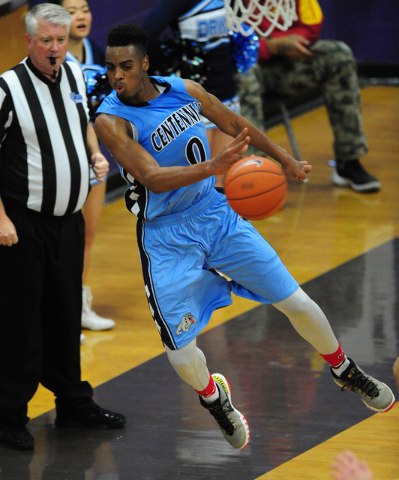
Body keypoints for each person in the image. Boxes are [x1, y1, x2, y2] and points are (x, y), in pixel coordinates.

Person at [94, 24, 395, 450]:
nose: (117, 75)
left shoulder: (185, 89)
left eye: (126, 66)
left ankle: (344, 369)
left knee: (296, 301)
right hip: (166, 237)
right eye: (110, 68)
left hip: (214, 214)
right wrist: (213, 166)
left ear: (144, 63)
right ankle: (214, 397)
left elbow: (236, 122)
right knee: (180, 354)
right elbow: (152, 177)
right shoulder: (111, 120)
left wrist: (285, 159)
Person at [0, 3, 125, 451]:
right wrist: (0, 218)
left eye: (61, 39)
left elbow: (82, 121)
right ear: (29, 40)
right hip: (23, 227)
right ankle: (9, 415)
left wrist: (94, 152)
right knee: (21, 324)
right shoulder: (7, 89)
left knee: (65, 314)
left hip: (67, 222)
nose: (56, 49)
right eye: (47, 41)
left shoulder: (73, 73)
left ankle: (73, 403)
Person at [237, 0, 381, 193]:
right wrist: (271, 46)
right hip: (245, 67)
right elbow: (228, 43)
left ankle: (348, 161)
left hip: (286, 63)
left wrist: (284, 44)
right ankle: (254, 172)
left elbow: (312, 26)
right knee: (243, 73)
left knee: (339, 54)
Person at [49, 0, 115, 333]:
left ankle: (79, 304)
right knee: (60, 239)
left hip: (93, 156)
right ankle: (56, 313)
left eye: (85, 8)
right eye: (72, 10)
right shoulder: (51, 60)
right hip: (59, 160)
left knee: (87, 235)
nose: (81, 16)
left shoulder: (99, 51)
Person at [141, 0, 247, 188]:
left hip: (228, 94)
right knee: (201, 181)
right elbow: (146, 34)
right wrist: (165, 70)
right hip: (197, 103)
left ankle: (219, 217)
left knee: (222, 180)